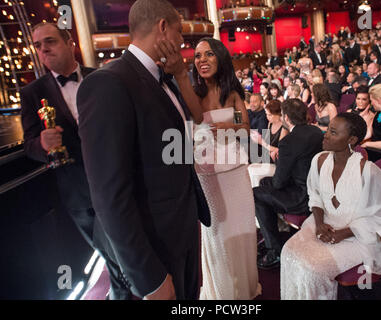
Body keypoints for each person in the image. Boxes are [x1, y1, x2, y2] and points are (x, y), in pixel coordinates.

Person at [77, 0, 210, 300]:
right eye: (179, 33)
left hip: (182, 232)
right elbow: (109, 196)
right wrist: (148, 277)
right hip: (154, 247)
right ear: (163, 28)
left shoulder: (165, 77)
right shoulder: (108, 83)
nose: (180, 42)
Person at [20, 22, 132, 300]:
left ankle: (127, 290)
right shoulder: (32, 93)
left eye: (50, 41)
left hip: (118, 180)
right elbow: (29, 145)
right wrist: (42, 144)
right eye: (38, 46)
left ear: (70, 43)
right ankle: (123, 292)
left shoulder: (102, 77)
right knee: (109, 253)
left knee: (127, 246)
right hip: (78, 191)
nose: (43, 49)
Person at [158, 36, 261, 299]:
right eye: (198, 56)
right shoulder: (191, 92)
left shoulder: (233, 93)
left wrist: (230, 127)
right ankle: (225, 293)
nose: (203, 60)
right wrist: (180, 75)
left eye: (209, 54)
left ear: (220, 57)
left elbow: (244, 126)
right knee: (218, 236)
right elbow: (197, 117)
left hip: (237, 172)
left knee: (243, 230)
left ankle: (245, 288)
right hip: (209, 174)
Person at [280, 113, 381, 300]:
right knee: (288, 252)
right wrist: (319, 224)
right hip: (323, 222)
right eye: (328, 129)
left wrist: (343, 233)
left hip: (357, 236)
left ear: (351, 139)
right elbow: (315, 196)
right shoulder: (319, 160)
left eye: (333, 132)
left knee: (314, 270)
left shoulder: (369, 172)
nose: (325, 134)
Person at [254, 99, 323, 269]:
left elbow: (278, 183)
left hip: (301, 196)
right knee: (264, 182)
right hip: (316, 188)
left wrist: (280, 160)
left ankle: (274, 250)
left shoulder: (288, 141)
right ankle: (278, 231)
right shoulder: (316, 131)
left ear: (286, 118)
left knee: (256, 193)